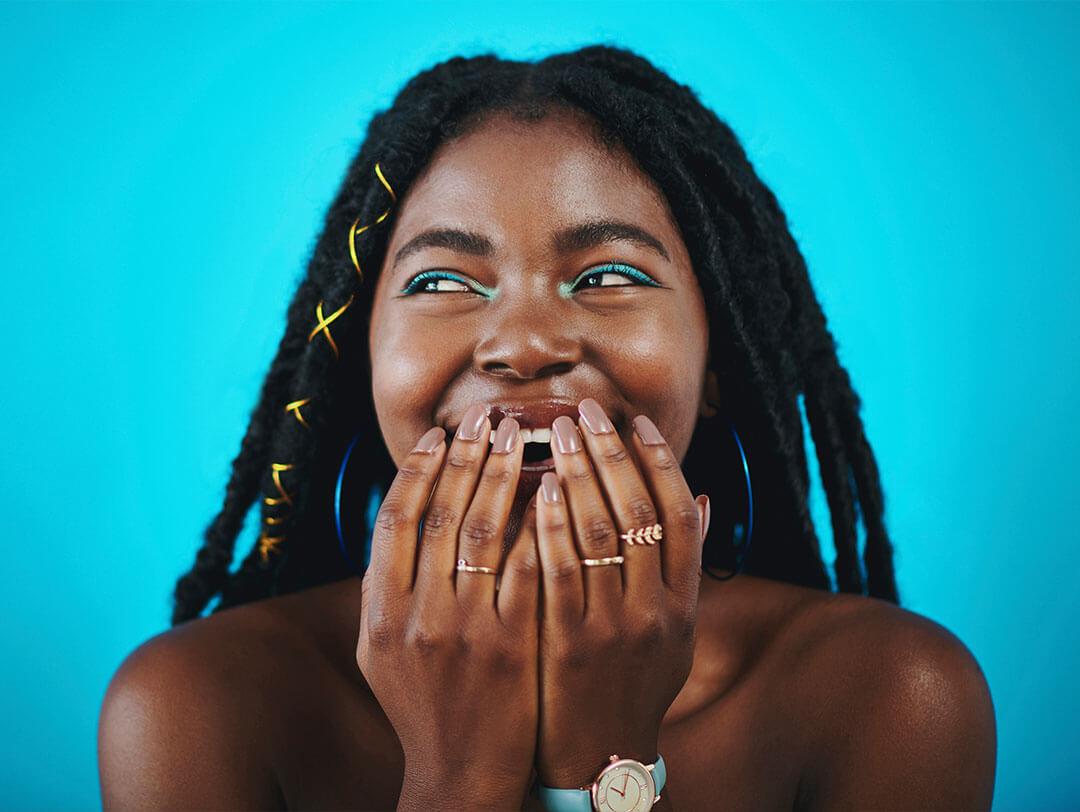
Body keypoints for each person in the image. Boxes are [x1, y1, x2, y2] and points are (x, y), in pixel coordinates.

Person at [98, 45, 996, 810]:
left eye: (607, 275)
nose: (523, 345)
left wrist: (602, 761)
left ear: (717, 364)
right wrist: (457, 778)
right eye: (442, 282)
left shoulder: (894, 697)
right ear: (356, 362)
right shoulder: (196, 707)